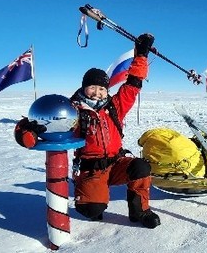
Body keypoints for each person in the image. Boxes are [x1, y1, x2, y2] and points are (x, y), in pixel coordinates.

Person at [14, 33, 160, 229]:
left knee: (141, 167)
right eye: (93, 87)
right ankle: (91, 195)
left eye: (102, 88)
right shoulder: (71, 109)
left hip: (117, 163)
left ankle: (140, 212)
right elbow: (43, 120)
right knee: (92, 209)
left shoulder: (115, 106)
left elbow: (133, 84)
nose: (98, 92)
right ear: (84, 87)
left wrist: (141, 55)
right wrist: (26, 132)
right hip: (91, 169)